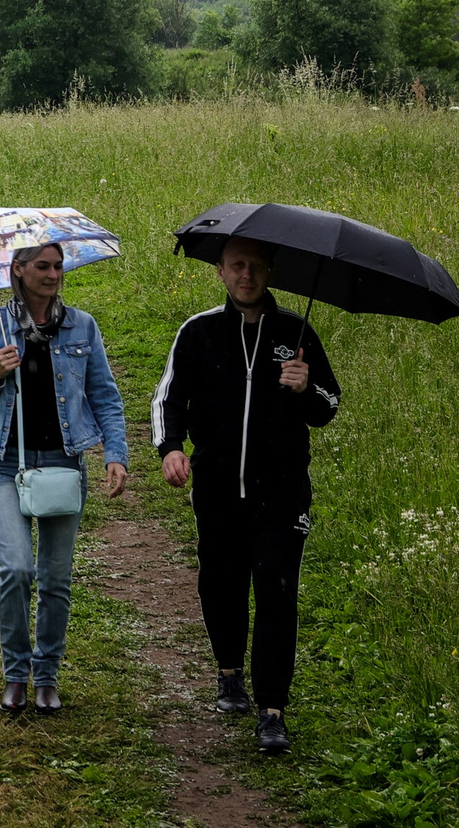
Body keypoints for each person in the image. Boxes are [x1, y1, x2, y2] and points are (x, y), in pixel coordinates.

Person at [153, 235, 342, 755]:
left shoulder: (297, 333)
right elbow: (167, 398)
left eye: (257, 267)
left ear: (271, 273)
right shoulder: (198, 332)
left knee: (277, 590)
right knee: (221, 583)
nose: (247, 276)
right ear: (220, 271)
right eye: (238, 266)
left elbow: (329, 405)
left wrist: (307, 388)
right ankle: (229, 672)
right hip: (216, 490)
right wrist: (170, 448)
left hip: (283, 495)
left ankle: (272, 711)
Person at [0, 241, 130, 713]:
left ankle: (46, 676)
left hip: (63, 463)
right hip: (5, 466)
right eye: (42, 266)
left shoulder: (82, 326)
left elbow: (105, 395)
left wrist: (116, 454)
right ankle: (16, 673)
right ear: (18, 269)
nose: (54, 274)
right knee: (16, 569)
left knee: (55, 578)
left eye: (58, 266)